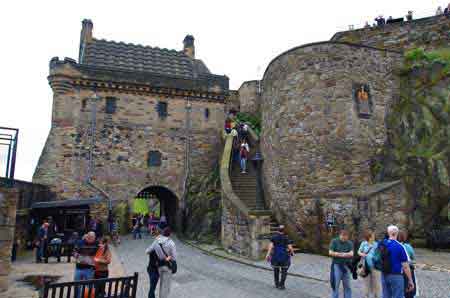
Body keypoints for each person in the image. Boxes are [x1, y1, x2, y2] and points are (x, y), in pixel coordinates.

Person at [379, 225, 414, 298]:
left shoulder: (381, 244)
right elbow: (405, 266)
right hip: (396, 275)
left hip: (384, 274)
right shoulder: (400, 246)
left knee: (386, 296)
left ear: (388, 233)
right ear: (397, 233)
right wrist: (410, 280)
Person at [145, 226, 177, 298]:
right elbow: (174, 257)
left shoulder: (157, 241)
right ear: (170, 234)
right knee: (164, 287)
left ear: (163, 233)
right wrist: (168, 257)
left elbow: (147, 251)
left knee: (154, 285)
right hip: (167, 267)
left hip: (158, 266)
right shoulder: (171, 243)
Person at [265, 226, 294, 290]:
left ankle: (277, 284)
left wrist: (268, 255)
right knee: (284, 271)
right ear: (283, 231)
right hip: (284, 257)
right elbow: (290, 248)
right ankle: (282, 285)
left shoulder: (274, 237)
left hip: (275, 256)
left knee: (276, 271)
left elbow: (270, 247)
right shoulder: (286, 238)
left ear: (278, 230)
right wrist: (292, 253)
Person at [329, 230, 354, 298]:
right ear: (340, 235)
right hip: (337, 266)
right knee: (335, 285)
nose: (344, 238)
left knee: (347, 286)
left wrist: (340, 254)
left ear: (347, 237)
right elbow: (330, 252)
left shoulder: (349, 243)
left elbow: (351, 253)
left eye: (345, 236)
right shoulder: (334, 241)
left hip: (347, 266)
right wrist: (341, 254)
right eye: (343, 236)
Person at [73, 231, 98, 298]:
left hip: (89, 268)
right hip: (79, 267)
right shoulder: (80, 243)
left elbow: (98, 254)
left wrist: (94, 259)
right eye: (90, 238)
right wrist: (79, 257)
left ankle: (89, 296)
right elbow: (74, 252)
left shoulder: (96, 243)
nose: (92, 240)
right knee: (77, 285)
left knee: (90, 285)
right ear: (87, 237)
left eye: (93, 238)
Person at [358, 230, 380, 298]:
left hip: (375, 267)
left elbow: (379, 254)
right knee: (366, 283)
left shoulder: (377, 244)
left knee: (376, 284)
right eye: (372, 236)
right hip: (365, 266)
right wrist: (362, 254)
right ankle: (366, 296)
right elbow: (358, 251)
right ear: (369, 237)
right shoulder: (363, 244)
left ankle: (376, 296)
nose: (374, 237)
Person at [145, 225, 163, 298]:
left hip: (153, 269)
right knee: (152, 288)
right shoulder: (158, 245)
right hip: (154, 269)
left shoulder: (155, 245)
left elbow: (147, 251)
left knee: (152, 287)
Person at [398, 231, 416, 298]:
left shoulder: (395, 246)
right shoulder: (408, 246)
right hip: (407, 268)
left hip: (398, 270)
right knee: (409, 290)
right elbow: (413, 257)